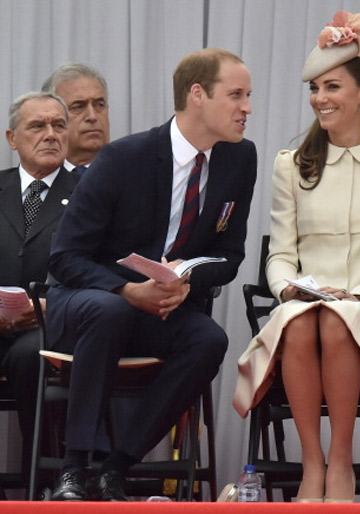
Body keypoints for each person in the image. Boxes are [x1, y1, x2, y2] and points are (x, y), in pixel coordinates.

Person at [46, 48, 256, 502]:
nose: (247, 108)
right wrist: (127, 289)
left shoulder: (240, 159)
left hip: (161, 305)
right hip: (88, 300)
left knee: (208, 340)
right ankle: (73, 468)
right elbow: (64, 258)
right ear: (197, 95)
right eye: (236, 95)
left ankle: (116, 466)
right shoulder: (124, 157)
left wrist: (187, 278)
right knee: (109, 311)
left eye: (248, 95)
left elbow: (229, 254)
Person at [234, 11, 360, 503]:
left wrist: (359, 294)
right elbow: (280, 255)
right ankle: (311, 463)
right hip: (305, 307)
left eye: (332, 86)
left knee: (338, 321)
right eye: (314, 88)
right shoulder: (291, 166)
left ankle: (341, 461)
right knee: (300, 321)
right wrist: (287, 288)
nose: (319, 98)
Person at [0, 91, 79, 483]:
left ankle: (45, 482)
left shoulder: (89, 191)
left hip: (55, 323)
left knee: (30, 355)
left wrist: (51, 307)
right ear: (12, 137)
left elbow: (99, 267)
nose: (50, 134)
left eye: (58, 125)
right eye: (38, 126)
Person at [41, 62, 110, 173]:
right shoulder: (35, 183)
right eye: (78, 107)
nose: (92, 116)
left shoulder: (134, 176)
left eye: (99, 105)